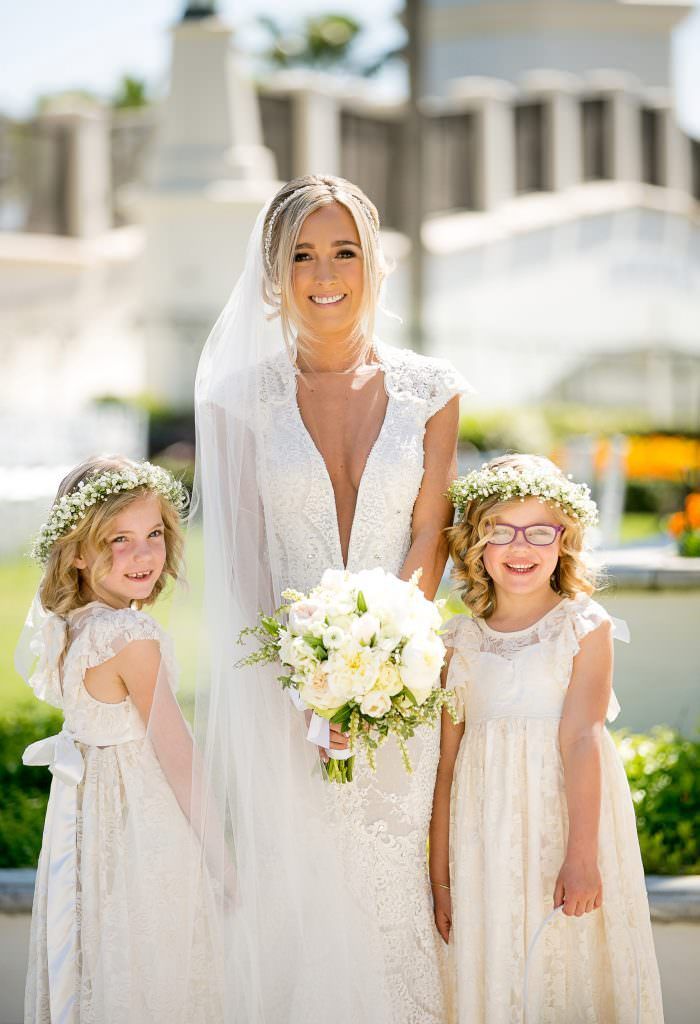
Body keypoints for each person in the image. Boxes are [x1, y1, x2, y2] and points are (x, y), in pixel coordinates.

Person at [190, 174, 470, 1021]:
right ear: (274, 274)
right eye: (301, 255)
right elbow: (239, 562)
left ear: (373, 262)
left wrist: (382, 666)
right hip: (283, 697)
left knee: (397, 899)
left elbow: (430, 533)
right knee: (304, 903)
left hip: (406, 692)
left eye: (343, 251)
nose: (324, 274)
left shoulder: (433, 389)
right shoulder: (238, 401)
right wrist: (308, 687)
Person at [429, 453, 664, 1024]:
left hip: (564, 826)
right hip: (481, 836)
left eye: (540, 531)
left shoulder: (583, 626)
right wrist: (439, 876)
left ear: (565, 540)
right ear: (475, 542)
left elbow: (582, 738)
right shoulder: (457, 639)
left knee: (563, 962)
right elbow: (446, 762)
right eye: (499, 531)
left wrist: (582, 855)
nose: (520, 547)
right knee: (493, 965)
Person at [19, 456, 223, 1024]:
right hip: (139, 821)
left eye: (154, 534)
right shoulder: (128, 635)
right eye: (118, 539)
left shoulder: (71, 625)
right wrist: (224, 866)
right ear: (78, 551)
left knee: (94, 959)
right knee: (152, 968)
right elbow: (179, 758)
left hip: (86, 821)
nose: (143, 555)